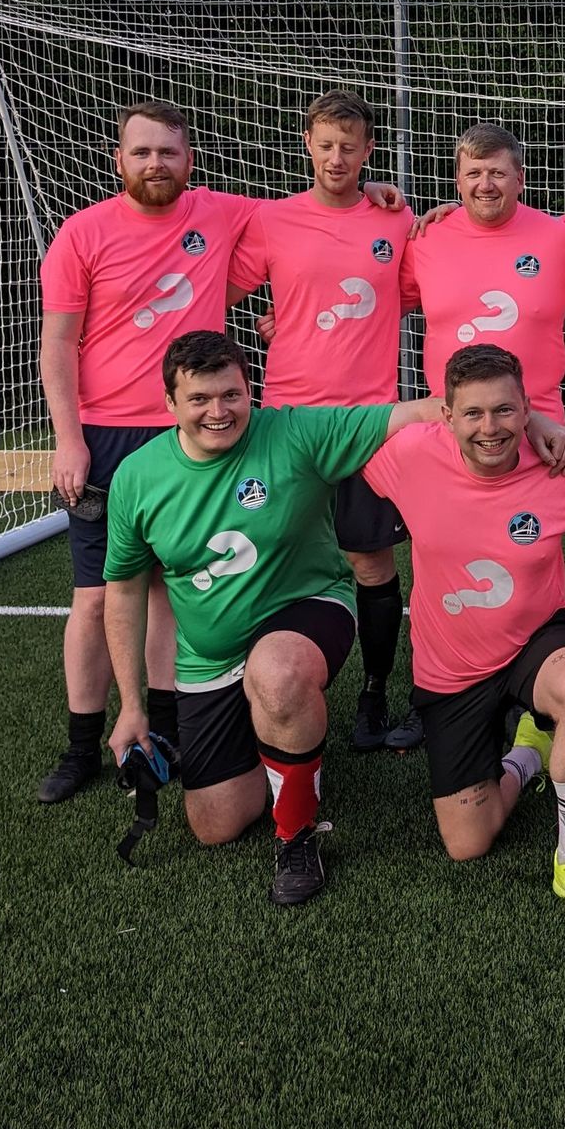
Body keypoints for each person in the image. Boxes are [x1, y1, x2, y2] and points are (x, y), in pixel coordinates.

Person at [102, 331, 451, 907]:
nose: (218, 411)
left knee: (278, 674)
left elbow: (419, 412)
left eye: (231, 395)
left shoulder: (296, 432)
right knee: (216, 824)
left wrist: (536, 421)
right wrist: (132, 707)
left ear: (251, 391)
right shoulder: (137, 478)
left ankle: (296, 834)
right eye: (199, 399)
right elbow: (123, 592)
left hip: (309, 608)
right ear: (169, 403)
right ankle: (280, 739)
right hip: (209, 656)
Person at [361, 343, 565, 933]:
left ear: (526, 409)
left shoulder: (560, 467)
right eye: (473, 413)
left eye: (506, 411)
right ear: (447, 416)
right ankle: (526, 755)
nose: (490, 428)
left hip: (535, 640)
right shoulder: (408, 454)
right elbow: (332, 437)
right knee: (469, 842)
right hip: (451, 668)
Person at [36, 100, 265, 804]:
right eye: (141, 152)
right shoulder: (83, 233)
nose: (155, 164)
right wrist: (69, 439)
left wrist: (378, 194)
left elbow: (309, 214)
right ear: (119, 161)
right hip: (104, 436)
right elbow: (57, 344)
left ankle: (165, 731)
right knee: (95, 596)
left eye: (168, 152)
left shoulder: (219, 213)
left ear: (190, 160)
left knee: (172, 588)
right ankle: (81, 746)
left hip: (189, 431)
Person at [231, 90, 419, 753]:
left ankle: (373, 692)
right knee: (272, 555)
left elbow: (421, 290)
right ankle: (258, 689)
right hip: (289, 421)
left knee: (370, 560)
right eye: (326, 144)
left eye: (350, 146)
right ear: (307, 144)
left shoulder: (396, 219)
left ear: (369, 150)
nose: (337, 157)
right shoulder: (273, 219)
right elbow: (217, 289)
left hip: (368, 421)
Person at [400, 123, 565, 421]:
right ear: (458, 182)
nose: (485, 185)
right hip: (450, 424)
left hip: (539, 427)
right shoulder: (424, 238)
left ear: (520, 179)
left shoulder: (561, 237)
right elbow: (377, 314)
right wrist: (367, 186)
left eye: (497, 173)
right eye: (474, 174)